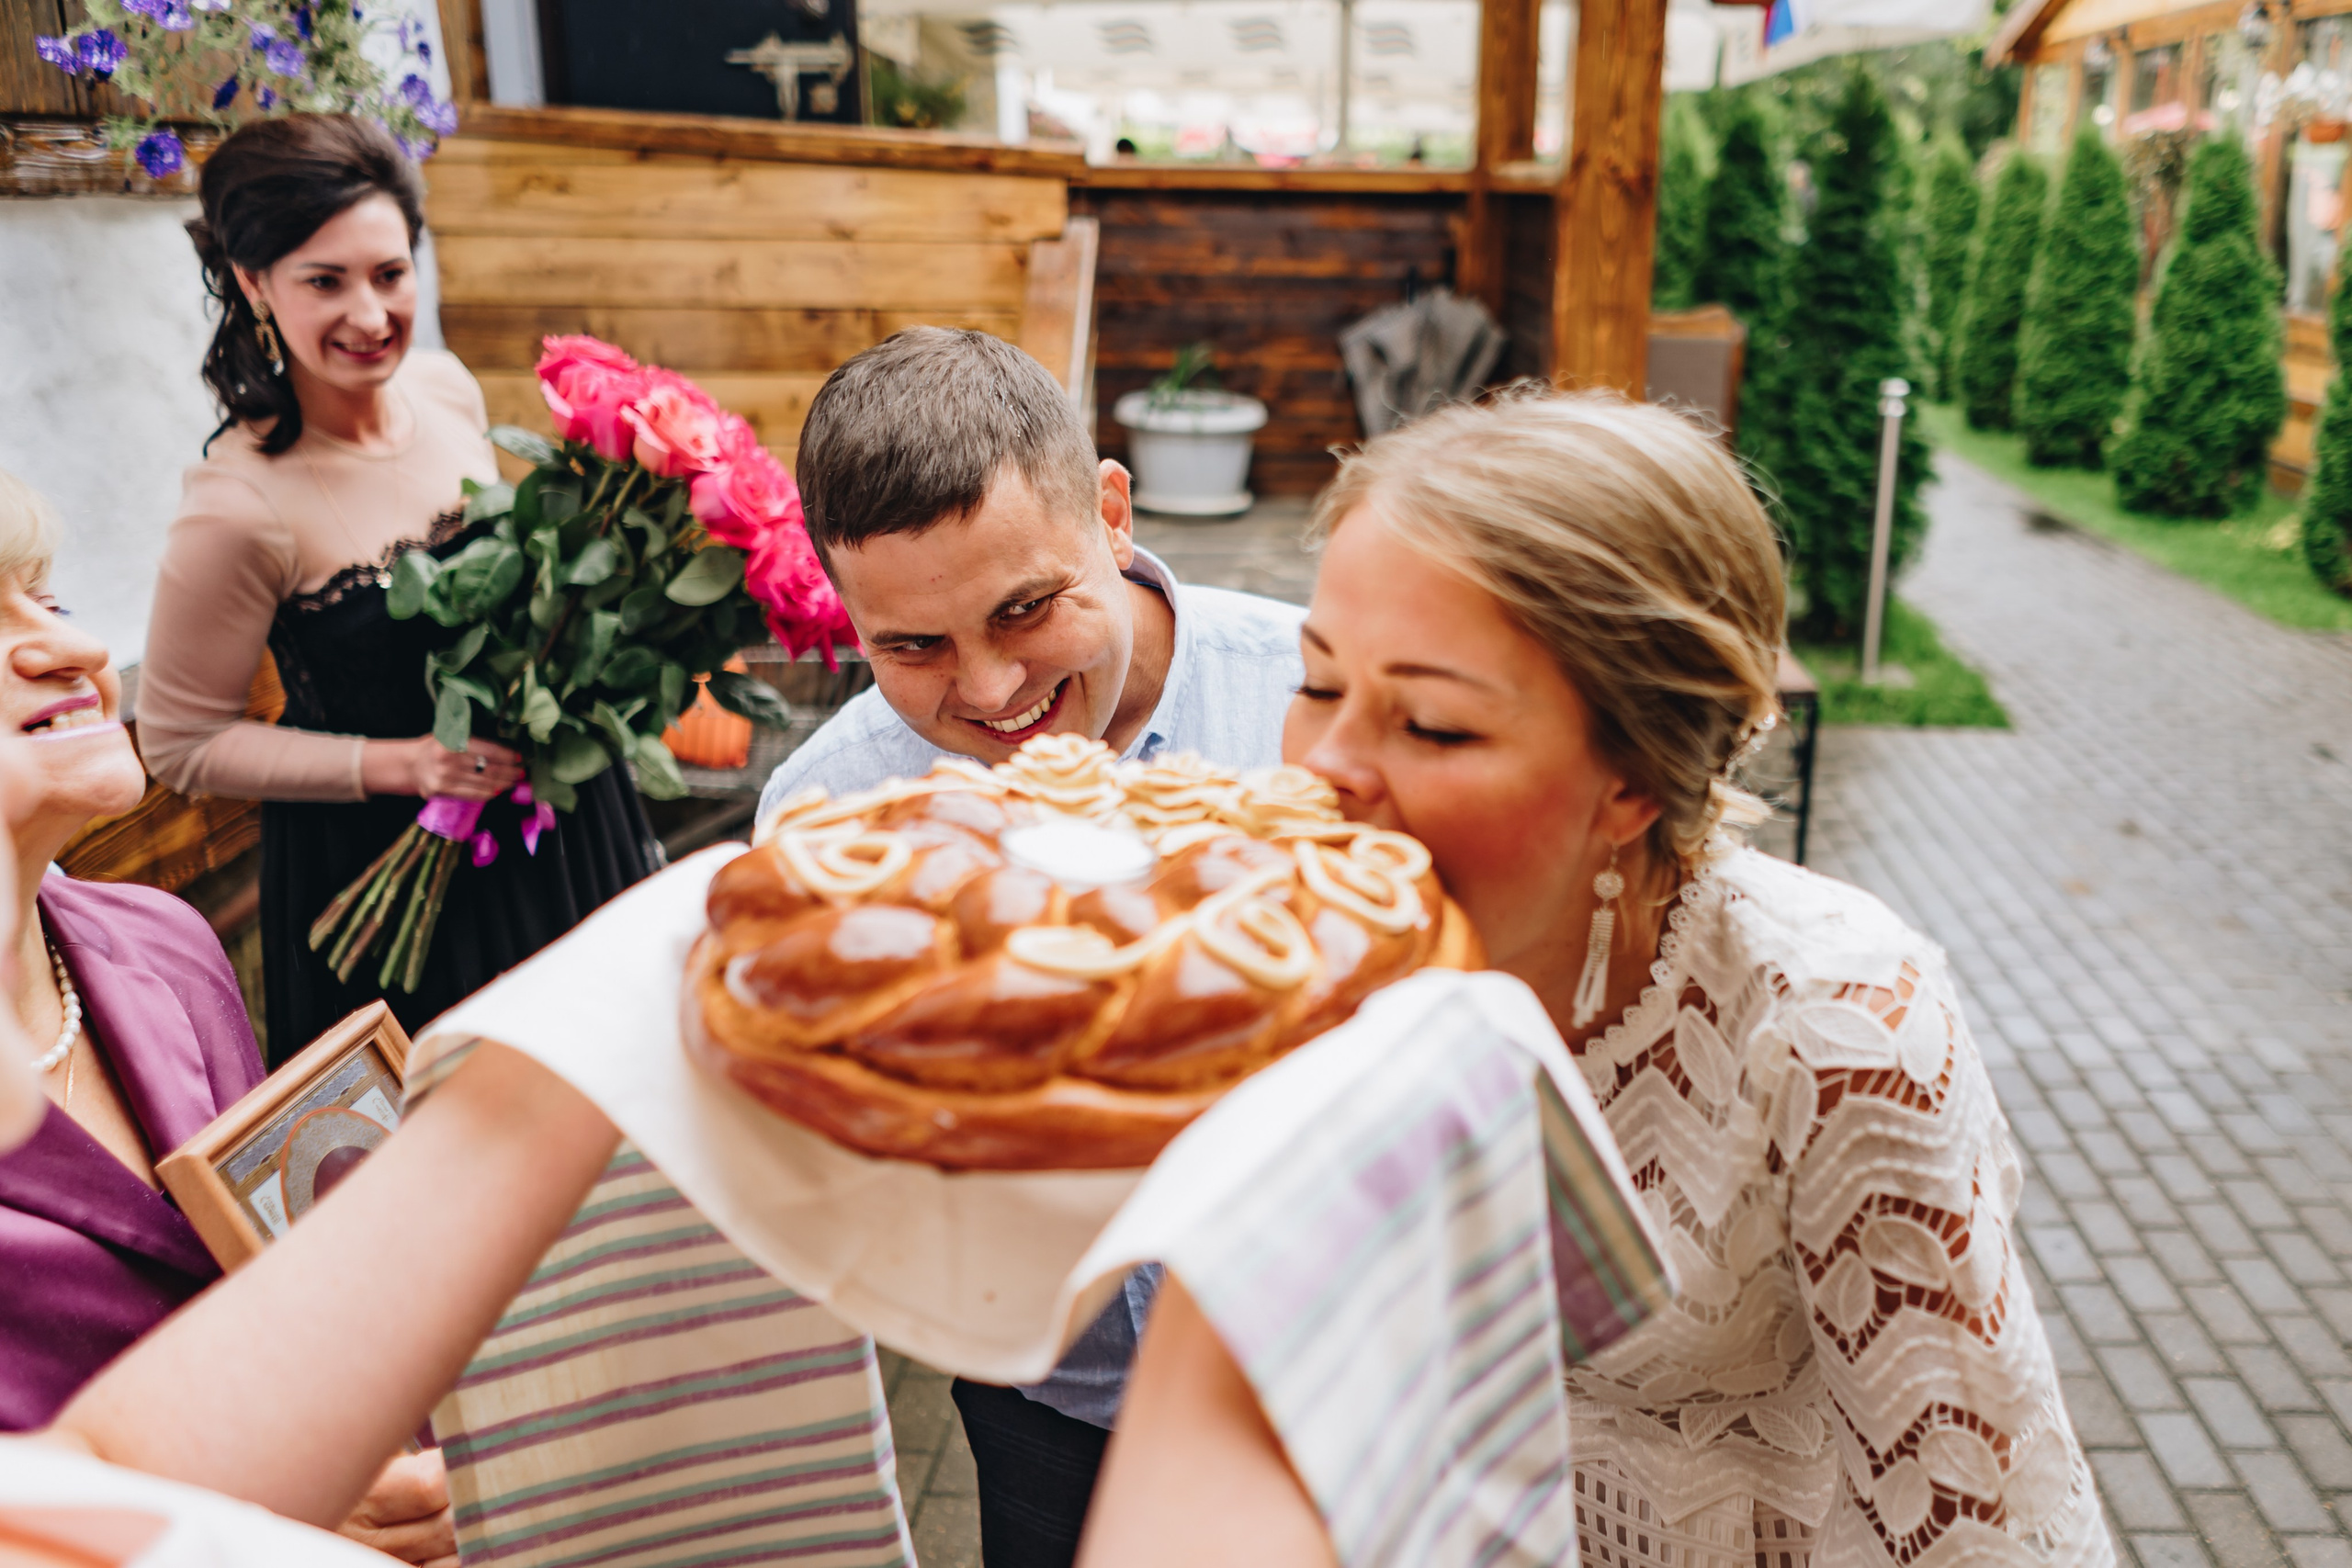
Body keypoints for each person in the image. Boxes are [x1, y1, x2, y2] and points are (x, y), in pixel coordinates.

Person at [1082, 390, 2111, 1566]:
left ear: (1632, 779)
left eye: (1432, 724)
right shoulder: (1298, 957)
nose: (1324, 769)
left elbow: (1984, 1534)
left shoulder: (1837, 1030)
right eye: (1317, 685)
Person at [760, 325, 1307, 1566]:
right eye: (914, 646)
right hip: (1049, 1405)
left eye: (1025, 608)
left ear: (1110, 513)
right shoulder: (829, 812)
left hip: (1330, 1372)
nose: (993, 688)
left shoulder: (1313, 699)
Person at [0, 473, 455, 1564]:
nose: (77, 648)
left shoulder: (165, 941)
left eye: (48, 601)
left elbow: (281, 1296)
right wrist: (248, 1508)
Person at [136, 114, 654, 1063]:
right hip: (400, 883)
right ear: (254, 283)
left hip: (560, 825)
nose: (371, 316)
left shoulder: (447, 388)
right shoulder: (236, 505)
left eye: (389, 273)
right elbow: (181, 743)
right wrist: (403, 764)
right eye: (324, 281)